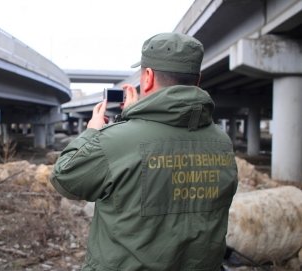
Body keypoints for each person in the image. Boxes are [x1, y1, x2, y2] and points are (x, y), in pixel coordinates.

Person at [50, 33, 238, 271]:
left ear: (147, 77)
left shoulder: (115, 140)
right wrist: (136, 117)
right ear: (197, 80)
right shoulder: (222, 142)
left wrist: (93, 132)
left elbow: (64, 177)